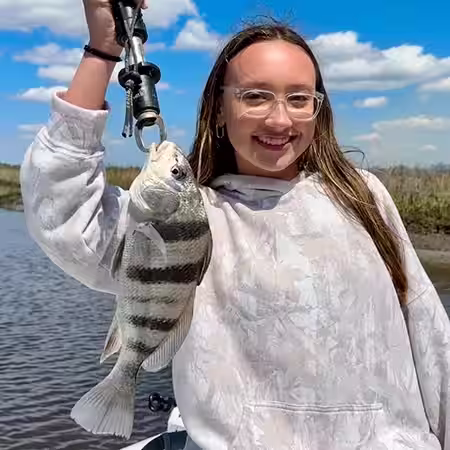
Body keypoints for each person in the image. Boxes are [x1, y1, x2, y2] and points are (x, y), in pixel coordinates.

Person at [20, 1, 449, 449]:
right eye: (255, 95)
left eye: (299, 98)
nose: (280, 119)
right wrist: (103, 51)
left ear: (317, 110)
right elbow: (63, 212)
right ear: (219, 109)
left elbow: (430, 334)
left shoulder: (363, 195)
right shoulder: (189, 215)